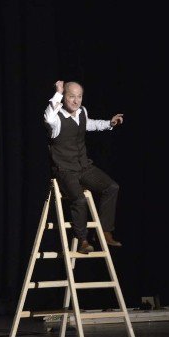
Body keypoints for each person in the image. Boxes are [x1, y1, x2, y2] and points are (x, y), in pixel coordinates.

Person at [43, 80, 124, 253]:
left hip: (83, 166)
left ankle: (104, 232)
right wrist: (57, 92)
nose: (76, 101)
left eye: (79, 96)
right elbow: (48, 118)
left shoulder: (82, 112)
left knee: (112, 187)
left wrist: (108, 124)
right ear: (64, 97)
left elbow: (89, 124)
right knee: (79, 200)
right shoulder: (56, 119)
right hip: (65, 169)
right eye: (71, 96)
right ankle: (82, 240)